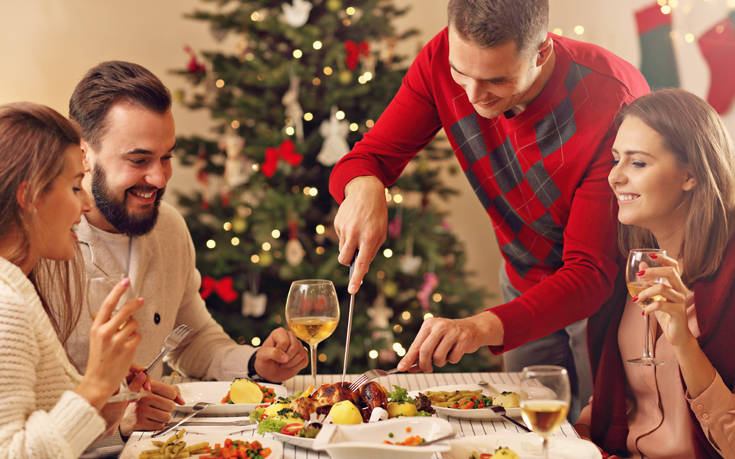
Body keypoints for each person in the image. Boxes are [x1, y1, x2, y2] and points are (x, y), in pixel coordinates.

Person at [329, 0, 649, 419]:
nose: (473, 96)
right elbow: (368, 158)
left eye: (496, 80)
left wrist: (478, 327)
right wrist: (365, 185)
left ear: (542, 53)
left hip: (607, 295)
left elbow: (590, 272)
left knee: (598, 434)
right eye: (461, 74)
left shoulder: (612, 102)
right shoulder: (441, 60)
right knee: (526, 429)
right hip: (520, 277)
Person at [63, 61, 308, 436]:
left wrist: (255, 363)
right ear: (84, 154)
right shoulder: (46, 244)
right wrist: (118, 421)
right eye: (139, 160)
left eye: (166, 157)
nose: (159, 179)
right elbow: (23, 412)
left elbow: (191, 338)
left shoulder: (169, 226)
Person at [578, 89, 735, 458]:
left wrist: (682, 340)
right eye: (617, 159)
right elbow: (620, 398)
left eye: (638, 163)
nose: (615, 177)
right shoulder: (630, 269)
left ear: (690, 175)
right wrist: (578, 434)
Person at [0, 102, 148, 458]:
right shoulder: (7, 307)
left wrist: (108, 385)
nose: (85, 204)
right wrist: (94, 384)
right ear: (30, 197)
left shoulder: (18, 286)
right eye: (74, 187)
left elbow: (47, 431)